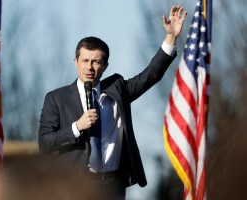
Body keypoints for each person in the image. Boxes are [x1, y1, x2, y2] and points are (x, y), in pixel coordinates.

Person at [38, 5, 187, 200]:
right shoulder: (56, 98)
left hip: (112, 187)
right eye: (85, 60)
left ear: (105, 66)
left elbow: (150, 75)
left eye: (96, 62)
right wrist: (76, 127)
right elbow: (44, 143)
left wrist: (171, 37)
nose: (89, 67)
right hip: (75, 187)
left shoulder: (118, 90)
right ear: (75, 61)